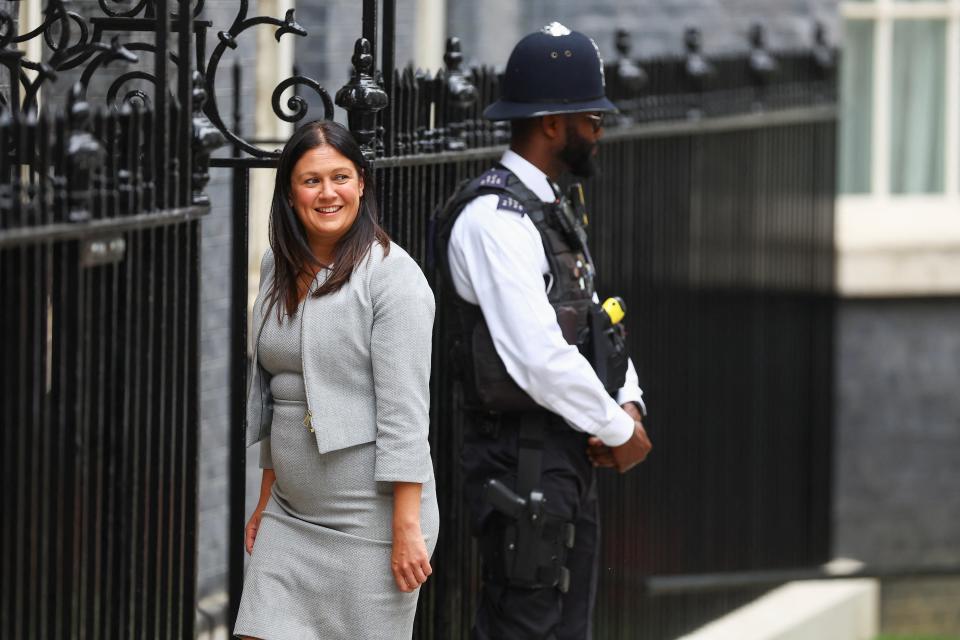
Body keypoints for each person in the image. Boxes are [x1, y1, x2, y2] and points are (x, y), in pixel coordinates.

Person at [433, 23, 653, 639]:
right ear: (553, 123)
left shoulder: (549, 208)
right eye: (593, 117)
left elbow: (593, 321)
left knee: (567, 627)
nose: (601, 131)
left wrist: (627, 402)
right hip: (519, 459)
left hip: (562, 454)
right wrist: (617, 431)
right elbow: (537, 357)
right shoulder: (493, 221)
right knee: (524, 627)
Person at [234, 120, 439, 640]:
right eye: (311, 180)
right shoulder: (275, 266)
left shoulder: (392, 277)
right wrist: (265, 494)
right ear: (289, 191)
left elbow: (406, 414)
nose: (328, 193)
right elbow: (274, 393)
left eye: (340, 177)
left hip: (369, 524)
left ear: (362, 183)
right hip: (289, 516)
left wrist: (407, 526)